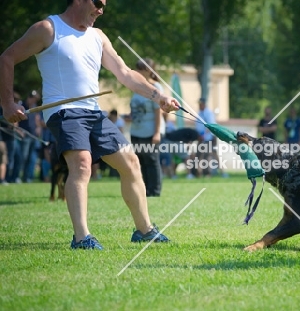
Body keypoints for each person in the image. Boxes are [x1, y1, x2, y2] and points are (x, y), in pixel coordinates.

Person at [0, 0, 180, 250]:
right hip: (63, 111)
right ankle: (82, 237)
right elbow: (7, 58)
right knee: (82, 165)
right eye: (98, 3)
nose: (101, 10)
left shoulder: (98, 36)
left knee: (130, 162)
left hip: (93, 113)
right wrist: (8, 104)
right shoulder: (48, 29)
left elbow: (125, 74)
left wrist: (158, 97)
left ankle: (144, 230)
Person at [129, 58, 165, 197]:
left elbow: (157, 112)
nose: (137, 71)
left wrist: (156, 133)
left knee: (151, 160)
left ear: (148, 71)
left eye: (140, 69)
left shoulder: (156, 88)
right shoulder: (136, 86)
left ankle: (154, 191)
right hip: (136, 130)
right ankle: (144, 190)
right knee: (140, 161)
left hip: (150, 131)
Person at [17, 90, 42, 183]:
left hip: (33, 136)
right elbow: (16, 119)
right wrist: (18, 129)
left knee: (32, 158)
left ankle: (28, 177)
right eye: (34, 99)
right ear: (29, 97)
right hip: (25, 134)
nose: (34, 101)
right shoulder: (21, 106)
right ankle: (17, 177)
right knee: (23, 157)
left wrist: (38, 127)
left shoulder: (34, 107)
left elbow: (37, 118)